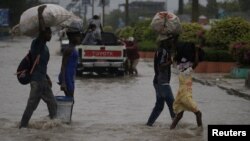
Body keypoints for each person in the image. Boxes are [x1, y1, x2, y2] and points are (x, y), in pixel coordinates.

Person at [19, 5, 57, 128]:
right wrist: (40, 14)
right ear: (44, 33)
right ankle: (22, 127)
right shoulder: (37, 43)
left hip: (43, 80)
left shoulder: (45, 47)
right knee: (31, 105)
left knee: (53, 104)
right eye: (49, 33)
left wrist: (47, 77)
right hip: (36, 81)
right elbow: (41, 32)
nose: (50, 35)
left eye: (51, 33)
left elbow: (40, 64)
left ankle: (54, 125)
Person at [146, 34, 177, 126]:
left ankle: (149, 125)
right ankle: (176, 127)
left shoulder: (161, 51)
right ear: (165, 41)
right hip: (162, 82)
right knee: (173, 105)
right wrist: (170, 62)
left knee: (159, 106)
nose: (172, 42)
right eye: (170, 40)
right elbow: (161, 66)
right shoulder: (163, 51)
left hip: (158, 82)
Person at [170, 44, 203, 129]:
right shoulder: (187, 72)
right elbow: (196, 63)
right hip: (185, 96)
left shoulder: (179, 69)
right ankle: (200, 132)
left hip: (181, 95)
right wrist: (196, 51)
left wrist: (176, 51)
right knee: (198, 113)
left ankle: (171, 130)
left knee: (179, 115)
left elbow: (175, 59)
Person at [58, 21, 82, 98]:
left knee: (70, 100)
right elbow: (63, 65)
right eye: (78, 36)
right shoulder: (68, 49)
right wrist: (63, 83)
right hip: (66, 77)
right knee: (70, 99)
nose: (80, 38)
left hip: (70, 77)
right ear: (72, 37)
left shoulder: (73, 48)